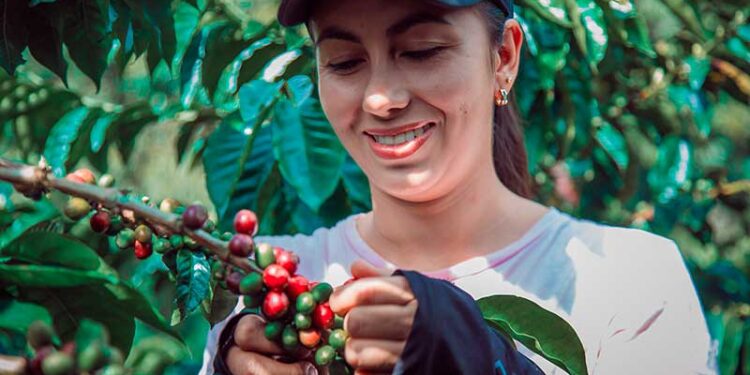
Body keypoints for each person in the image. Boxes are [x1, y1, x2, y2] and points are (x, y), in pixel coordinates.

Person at [200, 0, 717, 373]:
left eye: (422, 51)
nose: (381, 98)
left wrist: (475, 352)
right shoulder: (269, 285)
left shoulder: (630, 281)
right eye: (344, 62)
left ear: (504, 59)